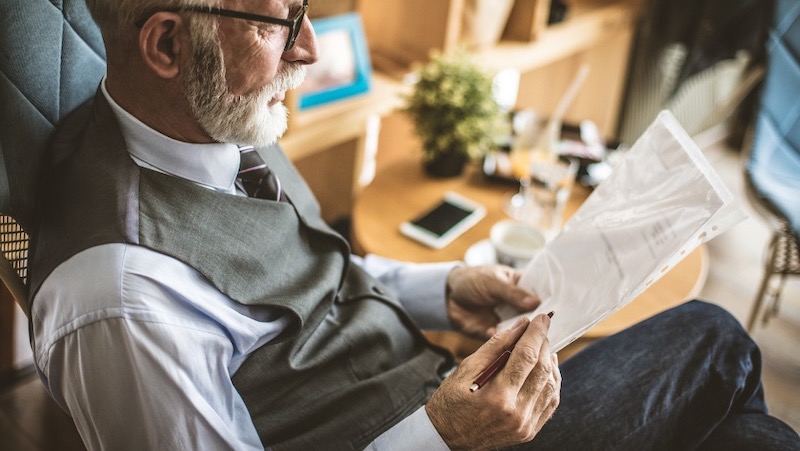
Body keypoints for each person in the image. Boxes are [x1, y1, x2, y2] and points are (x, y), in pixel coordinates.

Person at [27, 0, 799, 449]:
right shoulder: (123, 302)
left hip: (428, 394)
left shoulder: (211, 124)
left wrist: (443, 287)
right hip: (433, 435)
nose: (310, 47)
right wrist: (445, 430)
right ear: (165, 44)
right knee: (713, 338)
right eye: (277, 22)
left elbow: (303, 276)